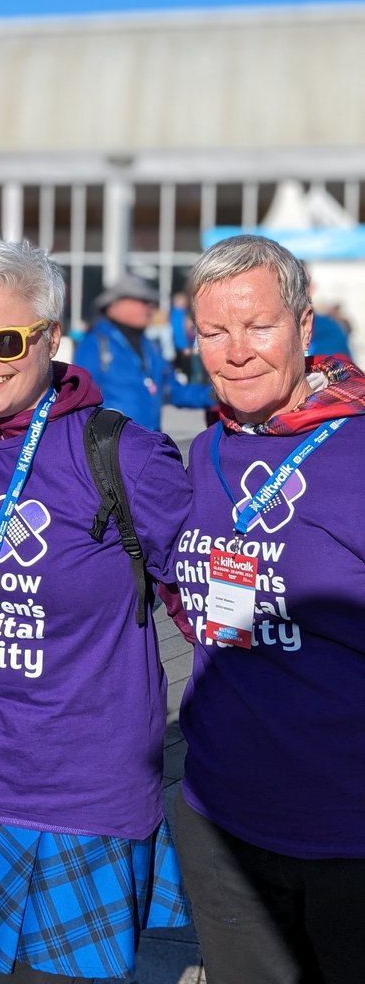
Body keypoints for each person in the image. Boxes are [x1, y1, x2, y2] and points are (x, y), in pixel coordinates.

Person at [0, 241, 193, 981]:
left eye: (4, 340)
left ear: (50, 337)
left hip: (78, 790)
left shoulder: (124, 456)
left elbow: (202, 605)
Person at [164, 234, 365, 983]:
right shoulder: (206, 451)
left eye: (259, 326)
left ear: (306, 328)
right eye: (214, 332)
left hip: (346, 833)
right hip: (221, 818)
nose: (237, 351)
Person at [74, 274, 212, 429]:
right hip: (109, 447)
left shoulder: (151, 346)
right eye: (143, 301)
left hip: (150, 445)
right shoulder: (94, 344)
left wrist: (217, 395)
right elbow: (80, 401)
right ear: (114, 305)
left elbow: (175, 391)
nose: (151, 307)